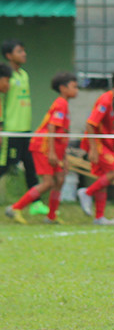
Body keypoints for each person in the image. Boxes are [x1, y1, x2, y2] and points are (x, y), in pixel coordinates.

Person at [5, 73, 78, 224]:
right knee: (48, 182)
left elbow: (62, 134)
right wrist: (51, 152)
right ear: (63, 88)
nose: (77, 90)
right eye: (74, 87)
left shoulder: (64, 104)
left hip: (55, 148)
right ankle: (14, 208)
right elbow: (52, 127)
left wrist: (63, 158)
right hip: (43, 147)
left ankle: (51, 216)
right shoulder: (60, 104)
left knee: (60, 179)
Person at [77, 67, 114, 225]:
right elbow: (90, 124)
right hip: (97, 143)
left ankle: (99, 217)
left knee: (103, 179)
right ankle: (86, 193)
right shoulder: (105, 99)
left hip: (107, 145)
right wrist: (93, 150)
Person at [0, 40, 35, 193]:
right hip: (10, 129)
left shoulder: (24, 75)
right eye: (19, 51)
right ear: (9, 55)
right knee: (5, 165)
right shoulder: (5, 76)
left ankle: (36, 202)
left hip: (25, 128)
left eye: (24, 50)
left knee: (30, 164)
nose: (24, 54)